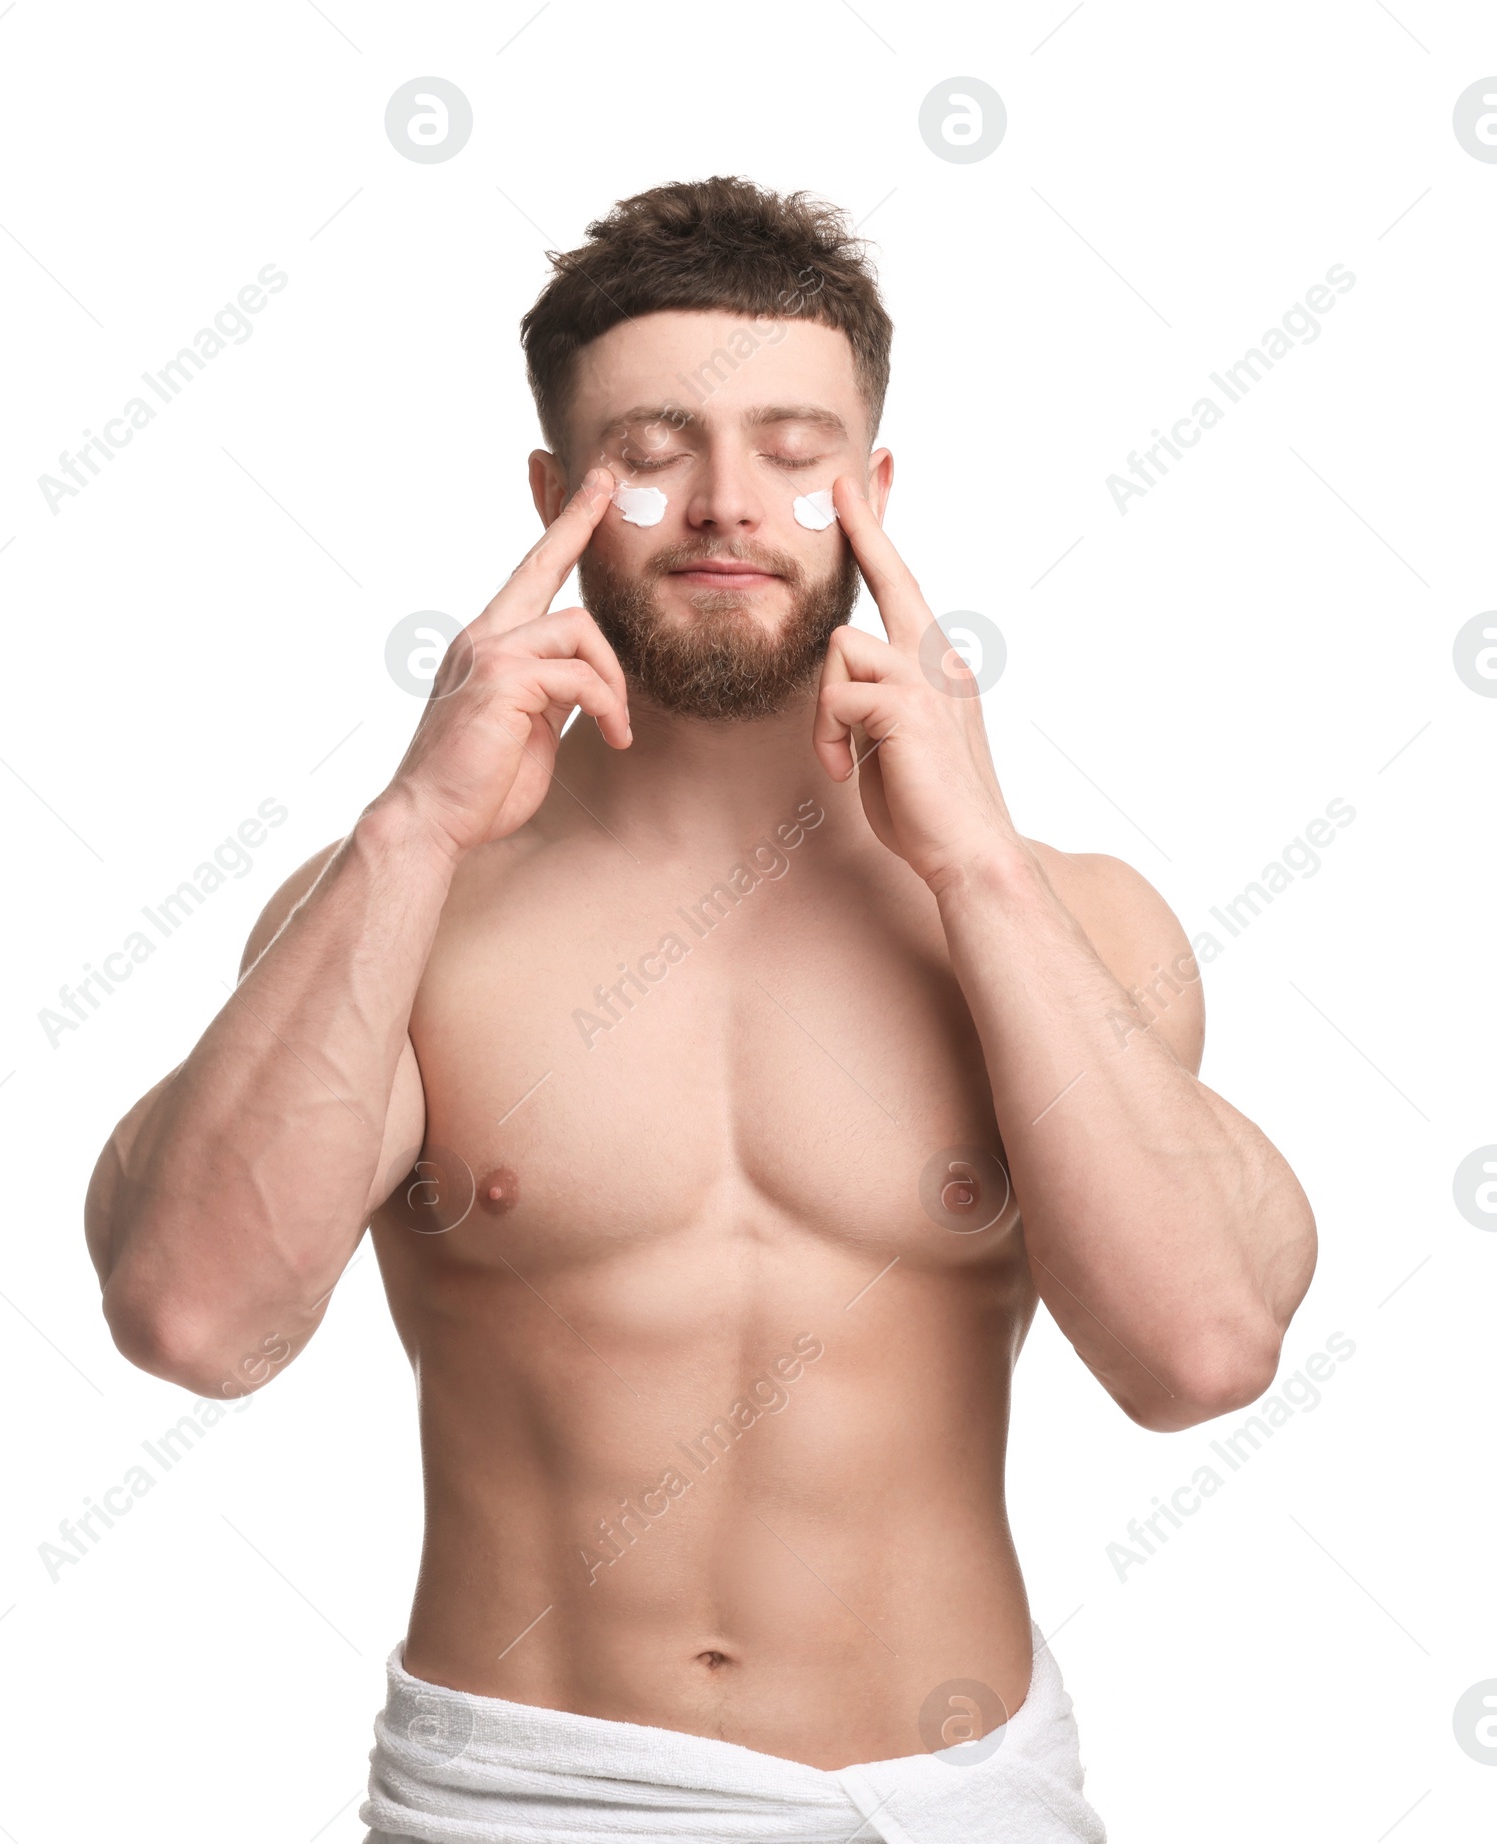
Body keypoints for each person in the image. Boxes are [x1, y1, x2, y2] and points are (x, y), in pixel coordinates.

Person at [84, 176, 1317, 1842]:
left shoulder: (1067, 914)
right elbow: (192, 1320)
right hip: (526, 1800)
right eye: (653, 451)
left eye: (797, 454)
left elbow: (1202, 1355)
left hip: (950, 1799)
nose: (729, 504)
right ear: (555, 496)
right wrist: (415, 823)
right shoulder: (399, 910)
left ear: (873, 489)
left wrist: (979, 872)